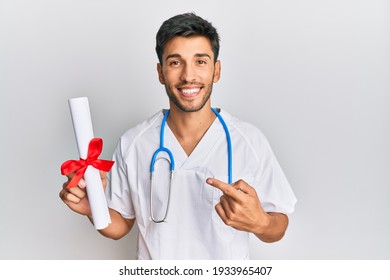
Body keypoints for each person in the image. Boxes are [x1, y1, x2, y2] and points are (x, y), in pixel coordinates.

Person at [59, 13, 297, 259]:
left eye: (200, 62)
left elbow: (278, 225)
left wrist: (260, 223)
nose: (188, 76)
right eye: (175, 63)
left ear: (217, 70)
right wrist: (92, 210)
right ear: (161, 73)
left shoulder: (249, 140)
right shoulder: (134, 142)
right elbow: (120, 226)